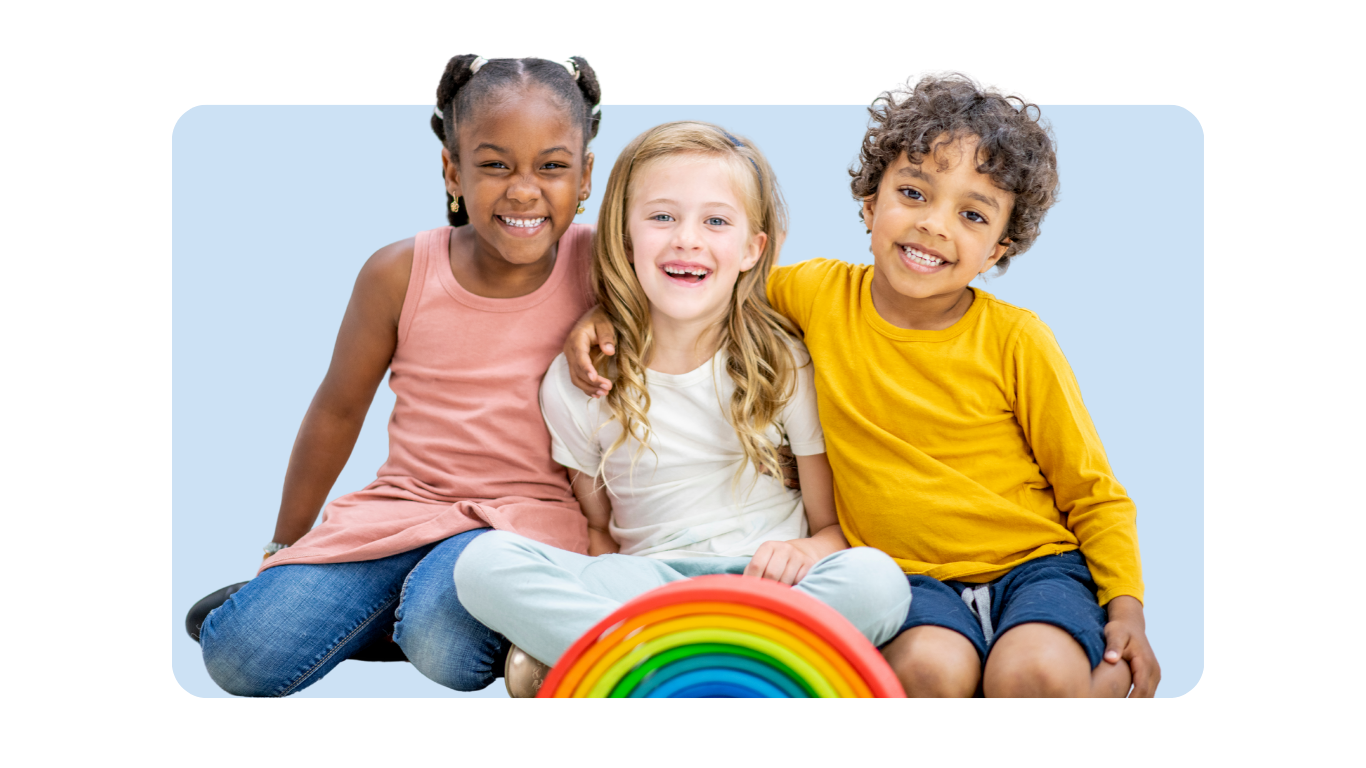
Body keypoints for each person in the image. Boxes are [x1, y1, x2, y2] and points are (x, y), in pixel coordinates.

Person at [559, 71, 1161, 700]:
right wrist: (610, 313)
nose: (933, 224)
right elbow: (700, 286)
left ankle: (1098, 682)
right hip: (910, 577)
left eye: (972, 214)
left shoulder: (1018, 340)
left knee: (1031, 676)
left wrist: (1127, 610)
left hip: (1035, 566)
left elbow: (1093, 491)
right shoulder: (815, 293)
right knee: (927, 674)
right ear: (871, 203)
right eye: (913, 192)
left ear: (997, 250)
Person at [191, 54, 608, 697]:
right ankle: (363, 603)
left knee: (445, 646)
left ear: (585, 176)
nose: (523, 191)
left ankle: (409, 616)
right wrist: (284, 546)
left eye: (551, 167)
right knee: (239, 657)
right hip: (404, 511)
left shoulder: (607, 267)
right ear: (452, 168)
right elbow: (336, 411)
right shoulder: (397, 272)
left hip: (524, 529)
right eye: (494, 164)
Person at [454, 121, 911, 698]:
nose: (687, 240)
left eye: (715, 221)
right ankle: (711, 668)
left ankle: (664, 670)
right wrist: (603, 587)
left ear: (752, 249)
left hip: (763, 583)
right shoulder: (579, 381)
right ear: (624, 239)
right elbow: (599, 529)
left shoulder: (784, 363)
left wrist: (804, 551)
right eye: (663, 217)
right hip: (648, 585)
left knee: (878, 581)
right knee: (482, 564)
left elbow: (829, 529)